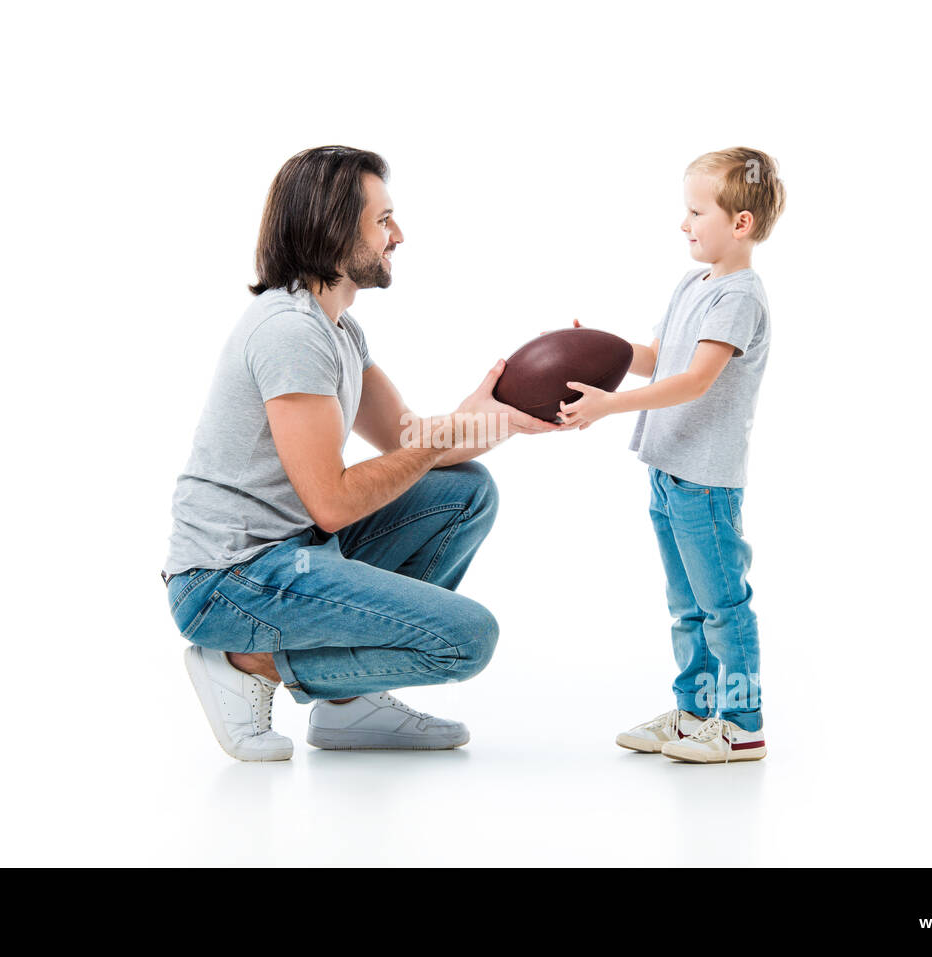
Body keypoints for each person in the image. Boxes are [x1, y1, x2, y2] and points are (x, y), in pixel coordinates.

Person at [161, 146, 565, 761]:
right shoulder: (290, 331)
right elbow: (332, 503)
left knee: (464, 491)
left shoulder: (340, 329)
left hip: (292, 556)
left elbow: (409, 441)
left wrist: (510, 410)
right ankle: (246, 662)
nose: (397, 235)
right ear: (329, 228)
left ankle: (350, 706)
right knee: (465, 640)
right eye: (383, 221)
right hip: (229, 579)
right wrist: (436, 441)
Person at [556, 147, 786, 763]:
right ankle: (692, 717)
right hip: (669, 471)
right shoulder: (694, 283)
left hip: (706, 482)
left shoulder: (739, 297)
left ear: (740, 223)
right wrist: (597, 347)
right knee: (686, 608)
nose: (683, 224)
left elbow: (694, 381)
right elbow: (660, 359)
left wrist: (609, 405)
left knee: (722, 606)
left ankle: (742, 725)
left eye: (695, 211)